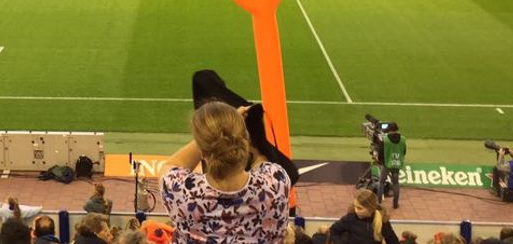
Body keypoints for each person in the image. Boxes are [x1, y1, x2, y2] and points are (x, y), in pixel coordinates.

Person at [160, 102, 290, 244]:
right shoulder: (275, 183)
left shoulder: (182, 193)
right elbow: (262, 161)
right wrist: (236, 130)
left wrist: (210, 137)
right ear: (244, 142)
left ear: (202, 150)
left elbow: (171, 165)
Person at [319, 190, 398, 244]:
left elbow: (393, 241)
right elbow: (333, 231)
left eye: (360, 208)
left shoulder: (382, 221)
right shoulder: (350, 218)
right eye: (355, 206)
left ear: (370, 208)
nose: (356, 210)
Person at [377, 123, 405, 209]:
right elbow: (404, 152)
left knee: (381, 182)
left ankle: (379, 203)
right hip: (397, 164)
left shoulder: (384, 139)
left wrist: (380, 161)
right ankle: (395, 204)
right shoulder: (403, 139)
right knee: (396, 183)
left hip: (386, 164)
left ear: (389, 129)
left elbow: (380, 153)